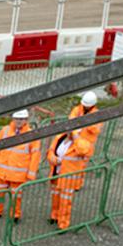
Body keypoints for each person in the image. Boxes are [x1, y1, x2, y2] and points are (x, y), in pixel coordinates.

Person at [47, 91, 103, 230]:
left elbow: (92, 134)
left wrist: (77, 134)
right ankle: (54, 216)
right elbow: (51, 151)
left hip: (71, 170)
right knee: (56, 196)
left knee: (65, 200)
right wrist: (53, 159)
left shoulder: (95, 119)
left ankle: (63, 223)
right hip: (58, 173)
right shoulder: (62, 136)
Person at [0, 109, 41, 223]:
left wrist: (31, 173)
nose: (19, 121)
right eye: (17, 119)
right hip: (2, 171)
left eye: (21, 119)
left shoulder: (31, 135)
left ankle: (15, 215)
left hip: (18, 174)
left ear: (26, 120)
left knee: (16, 196)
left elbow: (35, 155)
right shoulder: (5, 131)